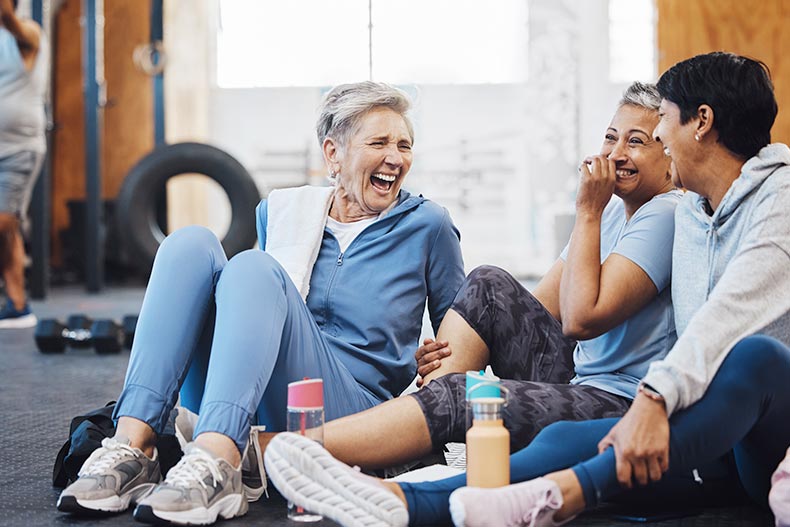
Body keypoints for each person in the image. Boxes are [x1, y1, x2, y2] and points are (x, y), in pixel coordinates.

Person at [262, 52, 790, 527]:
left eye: (653, 132)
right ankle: (405, 466)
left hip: (663, 405)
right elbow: (537, 316)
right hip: (660, 402)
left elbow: (591, 319)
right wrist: (466, 346)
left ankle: (304, 452)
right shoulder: (699, 211)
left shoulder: (691, 210)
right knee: (490, 297)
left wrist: (651, 400)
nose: (638, 146)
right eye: (614, 136)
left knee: (474, 400)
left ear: (700, 123)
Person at [56, 81, 466, 525]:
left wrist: (437, 362)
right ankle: (134, 445)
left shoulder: (428, 225)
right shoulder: (281, 212)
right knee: (189, 243)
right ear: (333, 154)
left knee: (253, 267)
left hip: (354, 411)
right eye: (380, 142)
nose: (396, 157)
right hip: (258, 392)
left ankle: (218, 459)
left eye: (404, 145)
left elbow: (464, 337)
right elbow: (270, 318)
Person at [275, 81, 682, 473]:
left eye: (636, 141)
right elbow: (533, 314)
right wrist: (449, 353)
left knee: (464, 397)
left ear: (669, 153)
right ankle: (414, 427)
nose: (615, 154)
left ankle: (289, 448)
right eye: (611, 138)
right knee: (488, 284)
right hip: (578, 374)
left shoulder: (663, 213)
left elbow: (580, 319)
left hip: (620, 397)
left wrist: (587, 210)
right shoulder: (612, 213)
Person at [0, 0, 48, 328]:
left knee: (2, 224)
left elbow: (7, 18)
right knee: (7, 232)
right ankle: (18, 305)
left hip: (20, 149)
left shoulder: (27, 31)